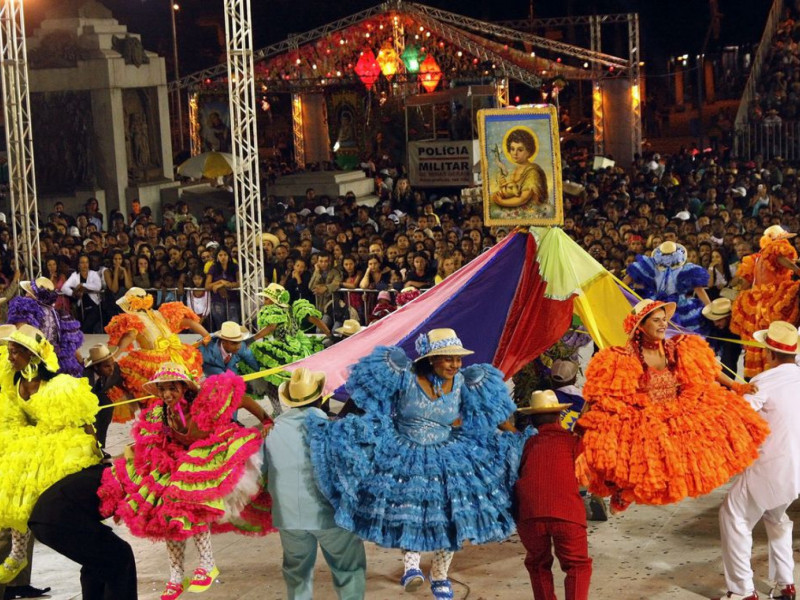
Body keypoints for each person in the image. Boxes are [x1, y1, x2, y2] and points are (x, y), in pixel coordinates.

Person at [306, 328, 523, 600]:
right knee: (410, 510)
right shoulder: (403, 375)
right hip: (404, 452)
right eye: (448, 359)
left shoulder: (466, 383)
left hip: (449, 454)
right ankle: (411, 567)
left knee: (452, 514)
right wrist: (340, 425)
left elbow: (494, 413)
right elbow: (363, 399)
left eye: (458, 359)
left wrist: (515, 436)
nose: (455, 365)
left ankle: (440, 575)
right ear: (431, 359)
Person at [98, 364, 274, 600]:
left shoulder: (205, 402)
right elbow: (148, 443)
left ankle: (208, 564)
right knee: (167, 515)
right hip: (180, 460)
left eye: (172, 388)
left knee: (189, 502)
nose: (167, 394)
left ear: (184, 387)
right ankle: (176, 576)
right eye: (162, 389)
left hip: (211, 454)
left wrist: (266, 420)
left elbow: (241, 399)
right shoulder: (160, 412)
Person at [577, 299, 769, 512]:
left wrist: (735, 385)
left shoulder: (676, 347)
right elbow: (602, 390)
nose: (663, 325)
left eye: (665, 320)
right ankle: (623, 491)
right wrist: (586, 416)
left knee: (719, 422)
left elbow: (708, 367)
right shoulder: (624, 357)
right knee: (631, 454)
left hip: (677, 409)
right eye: (656, 321)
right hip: (644, 415)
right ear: (641, 326)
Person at [0, 325, 101, 584]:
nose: (10, 357)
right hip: (28, 442)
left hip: (58, 443)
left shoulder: (59, 386)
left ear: (32, 355)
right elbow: (13, 416)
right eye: (9, 351)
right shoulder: (15, 380)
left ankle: (85, 541)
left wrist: (94, 446)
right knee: (15, 493)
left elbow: (83, 420)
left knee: (43, 500)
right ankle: (18, 553)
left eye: (14, 352)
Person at [262, 368, 367, 600]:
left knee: (296, 572)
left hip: (288, 517)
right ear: (320, 398)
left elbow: (259, 472)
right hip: (329, 516)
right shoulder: (332, 430)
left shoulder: (269, 432)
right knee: (348, 569)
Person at [715, 321, 800, 600]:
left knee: (734, 515)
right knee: (776, 517)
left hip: (771, 466)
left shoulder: (763, 381)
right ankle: (786, 584)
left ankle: (742, 591)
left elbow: (738, 414)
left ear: (769, 353)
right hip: (796, 471)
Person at [515, 390, 591, 600]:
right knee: (577, 565)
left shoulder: (525, 444)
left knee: (537, 565)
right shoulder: (571, 441)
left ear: (532, 420)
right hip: (567, 514)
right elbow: (586, 472)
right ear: (559, 417)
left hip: (530, 515)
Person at [29, 464, 138, 600]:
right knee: (119, 557)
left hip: (42, 519)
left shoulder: (107, 473)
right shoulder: (129, 481)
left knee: (97, 562)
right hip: (59, 518)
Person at [105, 287, 210, 409]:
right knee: (181, 388)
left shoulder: (134, 319)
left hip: (155, 361)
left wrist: (114, 356)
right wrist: (206, 335)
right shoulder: (159, 314)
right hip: (178, 355)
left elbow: (129, 336)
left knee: (156, 397)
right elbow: (189, 322)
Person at [730, 225, 800, 378]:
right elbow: (781, 259)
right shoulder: (773, 250)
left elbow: (746, 282)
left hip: (757, 299)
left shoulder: (757, 257)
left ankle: (758, 372)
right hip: (771, 298)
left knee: (759, 338)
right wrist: (797, 270)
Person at [248, 283, 329, 390]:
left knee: (265, 363)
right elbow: (314, 319)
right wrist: (329, 333)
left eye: (266, 299)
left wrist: (252, 339)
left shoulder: (274, 310)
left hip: (288, 347)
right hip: (302, 344)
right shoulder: (292, 309)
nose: (264, 302)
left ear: (274, 300)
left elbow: (271, 327)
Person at [625, 241, 711, 333]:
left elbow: (627, 279)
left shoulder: (650, 265)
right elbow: (699, 290)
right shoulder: (685, 268)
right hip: (676, 305)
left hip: (656, 304)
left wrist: (617, 289)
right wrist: (710, 308)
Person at [6, 276, 84, 377]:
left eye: (28, 292)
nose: (25, 294)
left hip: (31, 362)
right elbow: (72, 347)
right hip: (54, 363)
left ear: (33, 294)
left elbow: (19, 335)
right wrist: (81, 363)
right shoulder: (59, 314)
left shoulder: (26, 307)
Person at [491, 128, 548, 208]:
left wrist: (501, 201)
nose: (515, 153)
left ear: (529, 151)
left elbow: (523, 198)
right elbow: (512, 192)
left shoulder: (532, 172)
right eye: (512, 149)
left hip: (531, 212)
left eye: (520, 150)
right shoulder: (515, 170)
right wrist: (503, 185)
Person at [84, 343, 128, 446]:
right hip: (84, 402)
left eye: (112, 364)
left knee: (107, 405)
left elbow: (124, 382)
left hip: (99, 395)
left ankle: (101, 446)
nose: (111, 368)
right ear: (96, 367)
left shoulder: (115, 370)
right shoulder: (84, 376)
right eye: (107, 366)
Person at [62, 254, 104, 334]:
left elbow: (98, 287)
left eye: (86, 262)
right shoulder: (74, 275)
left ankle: (82, 335)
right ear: (78, 265)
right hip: (81, 306)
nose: (85, 265)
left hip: (94, 305)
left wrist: (82, 285)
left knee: (86, 327)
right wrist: (73, 293)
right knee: (84, 324)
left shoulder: (94, 274)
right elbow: (64, 288)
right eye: (82, 263)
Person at [702, 297, 742, 377]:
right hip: (721, 337)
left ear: (728, 318)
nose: (715, 324)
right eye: (714, 320)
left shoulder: (737, 328)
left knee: (728, 358)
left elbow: (729, 363)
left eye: (719, 320)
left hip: (732, 340)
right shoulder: (714, 326)